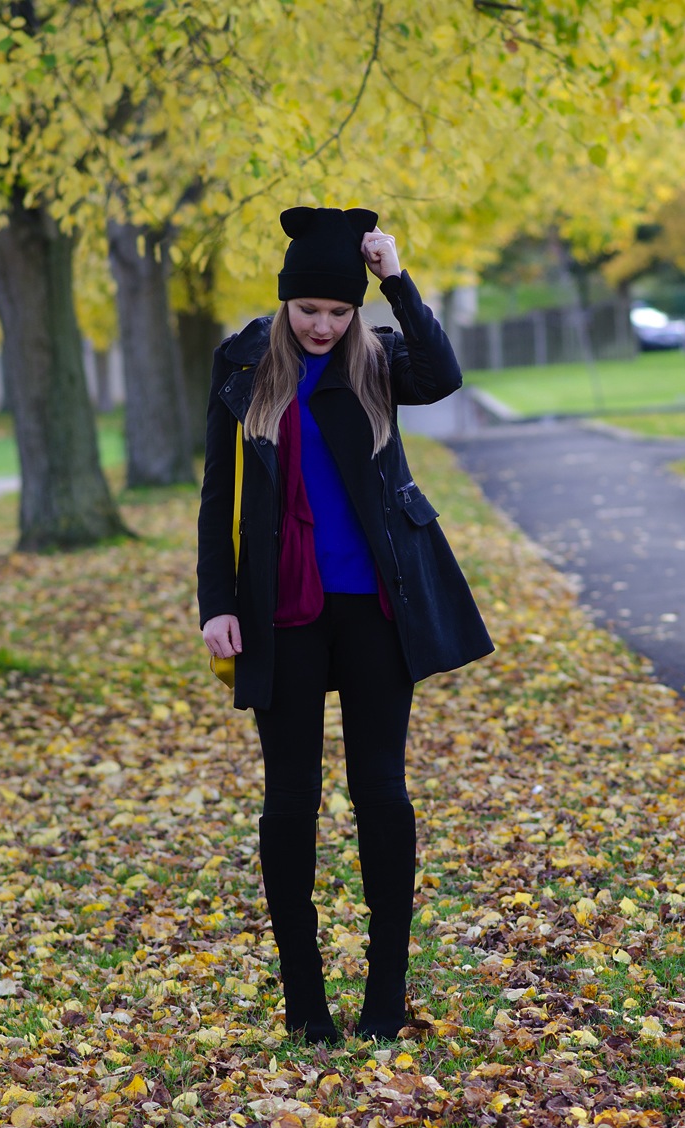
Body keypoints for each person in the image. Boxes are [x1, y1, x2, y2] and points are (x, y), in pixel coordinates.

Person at [197, 206, 493, 1043]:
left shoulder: (380, 357)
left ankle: (384, 998)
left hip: (374, 605)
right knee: (290, 797)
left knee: (380, 791)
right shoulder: (243, 364)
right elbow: (217, 494)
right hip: (280, 610)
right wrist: (215, 603)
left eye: (338, 310)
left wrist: (395, 279)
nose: (323, 325)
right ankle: (305, 1003)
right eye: (309, 310)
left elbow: (443, 374)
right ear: (284, 305)